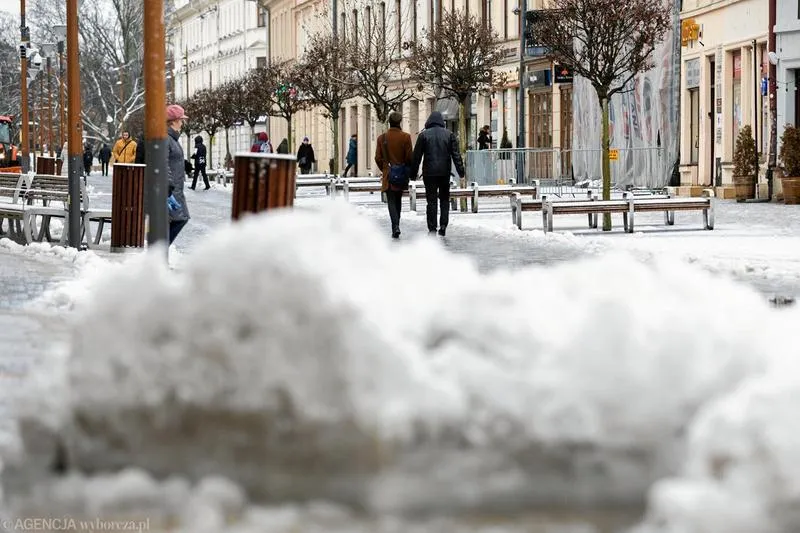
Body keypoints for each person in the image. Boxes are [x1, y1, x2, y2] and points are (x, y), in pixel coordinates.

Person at [410, 111, 466, 237]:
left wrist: (412, 174)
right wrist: (461, 172)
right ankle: (443, 225)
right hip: (444, 172)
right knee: (444, 199)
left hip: (429, 173)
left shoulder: (423, 136)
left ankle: (432, 227)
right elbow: (456, 155)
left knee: (431, 201)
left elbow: (416, 157)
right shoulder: (449, 135)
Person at [375, 111, 413, 239]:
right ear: (400, 122)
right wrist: (405, 168)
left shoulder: (382, 138)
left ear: (389, 122)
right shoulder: (406, 137)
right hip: (401, 173)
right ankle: (397, 224)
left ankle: (395, 226)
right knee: (398, 199)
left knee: (391, 200)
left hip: (388, 174)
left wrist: (385, 169)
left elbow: (377, 157)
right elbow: (409, 157)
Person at [166, 104, 190, 245]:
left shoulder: (172, 139)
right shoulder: (167, 139)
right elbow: (163, 162)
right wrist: (168, 184)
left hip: (175, 188)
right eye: (181, 120)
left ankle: (160, 252)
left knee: (179, 219)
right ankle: (159, 252)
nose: (182, 123)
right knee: (179, 219)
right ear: (174, 121)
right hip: (171, 189)